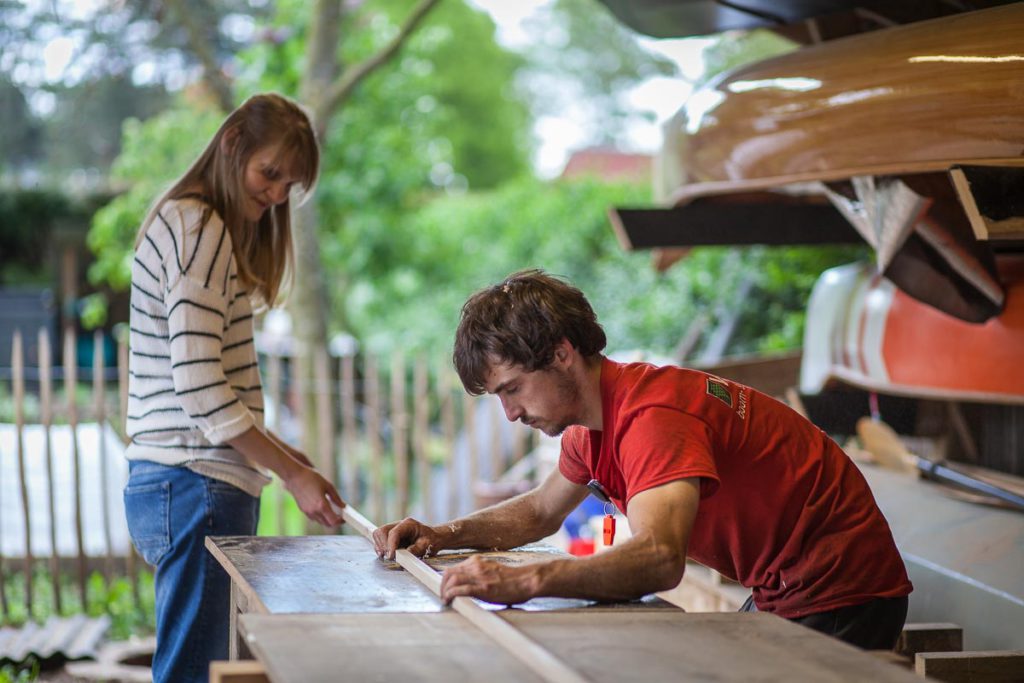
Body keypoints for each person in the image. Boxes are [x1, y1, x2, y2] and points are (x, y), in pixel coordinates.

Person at [373, 269, 912, 650]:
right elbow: (539, 513)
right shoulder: (592, 427)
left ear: (562, 354)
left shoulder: (652, 417)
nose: (511, 414)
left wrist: (529, 581)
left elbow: (659, 558)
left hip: (842, 593)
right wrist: (441, 534)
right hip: (788, 589)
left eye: (513, 389)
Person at [124, 93, 346, 683]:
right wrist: (292, 475)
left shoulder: (191, 223)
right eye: (269, 174)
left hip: (182, 478)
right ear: (231, 145)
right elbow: (199, 392)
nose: (275, 196)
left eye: (288, 185)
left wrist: (285, 456)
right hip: (194, 481)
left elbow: (212, 386)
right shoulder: (200, 226)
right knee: (194, 673)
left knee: (202, 666)